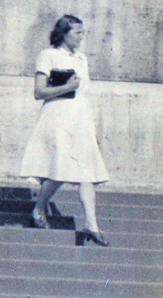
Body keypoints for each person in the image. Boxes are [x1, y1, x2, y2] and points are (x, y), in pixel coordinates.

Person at [20, 14, 110, 245]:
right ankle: (39, 209)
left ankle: (92, 224)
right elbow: (39, 92)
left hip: (80, 118)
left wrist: (91, 125)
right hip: (57, 117)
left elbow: (82, 95)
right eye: (77, 32)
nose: (82, 37)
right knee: (60, 168)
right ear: (63, 33)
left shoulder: (81, 58)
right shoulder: (48, 55)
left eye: (83, 32)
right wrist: (66, 87)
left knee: (86, 171)